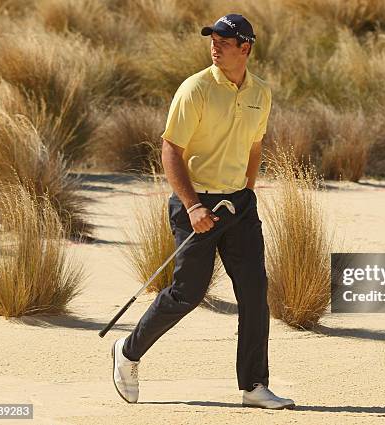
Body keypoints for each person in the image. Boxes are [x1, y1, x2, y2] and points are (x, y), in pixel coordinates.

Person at [110, 13, 295, 410]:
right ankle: (127, 351)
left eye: (224, 41)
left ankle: (254, 386)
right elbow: (170, 150)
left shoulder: (260, 92)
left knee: (254, 293)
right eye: (212, 39)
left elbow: (254, 146)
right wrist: (193, 206)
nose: (215, 46)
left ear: (245, 48)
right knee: (186, 294)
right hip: (196, 203)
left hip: (239, 206)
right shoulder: (194, 89)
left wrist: (246, 191)